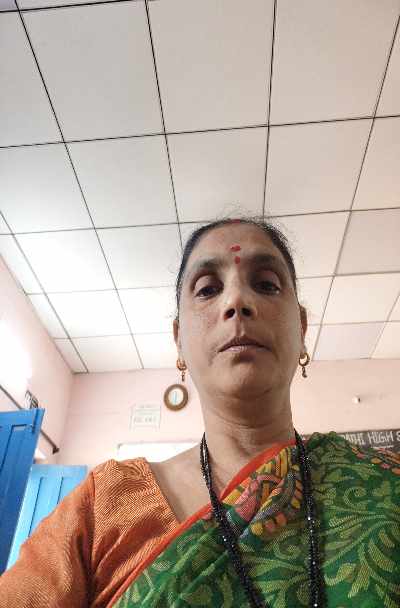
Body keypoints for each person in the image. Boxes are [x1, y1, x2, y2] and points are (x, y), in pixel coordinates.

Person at [1, 216, 399, 608]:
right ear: (179, 340)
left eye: (266, 284)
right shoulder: (103, 505)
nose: (237, 301)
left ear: (302, 327)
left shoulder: (383, 488)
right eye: (208, 289)